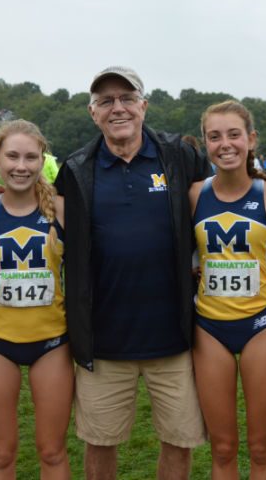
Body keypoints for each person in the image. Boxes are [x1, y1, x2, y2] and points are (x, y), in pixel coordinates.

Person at [54, 66, 211, 480]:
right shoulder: (76, 168)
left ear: (144, 104)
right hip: (103, 341)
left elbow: (227, 193)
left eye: (126, 98)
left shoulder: (180, 155)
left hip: (174, 337)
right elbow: (30, 203)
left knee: (179, 441)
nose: (117, 108)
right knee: (100, 444)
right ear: (93, 113)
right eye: (106, 101)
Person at [189, 100, 266, 479]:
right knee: (222, 449)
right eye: (215, 136)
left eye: (234, 134)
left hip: (260, 326)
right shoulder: (193, 196)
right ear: (205, 143)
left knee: (260, 447)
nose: (225, 144)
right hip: (209, 328)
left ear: (251, 139)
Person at [0, 120, 73, 479]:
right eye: (12, 156)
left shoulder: (60, 209)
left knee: (53, 452)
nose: (21, 166)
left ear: (43, 160)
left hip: (52, 343)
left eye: (30, 157)